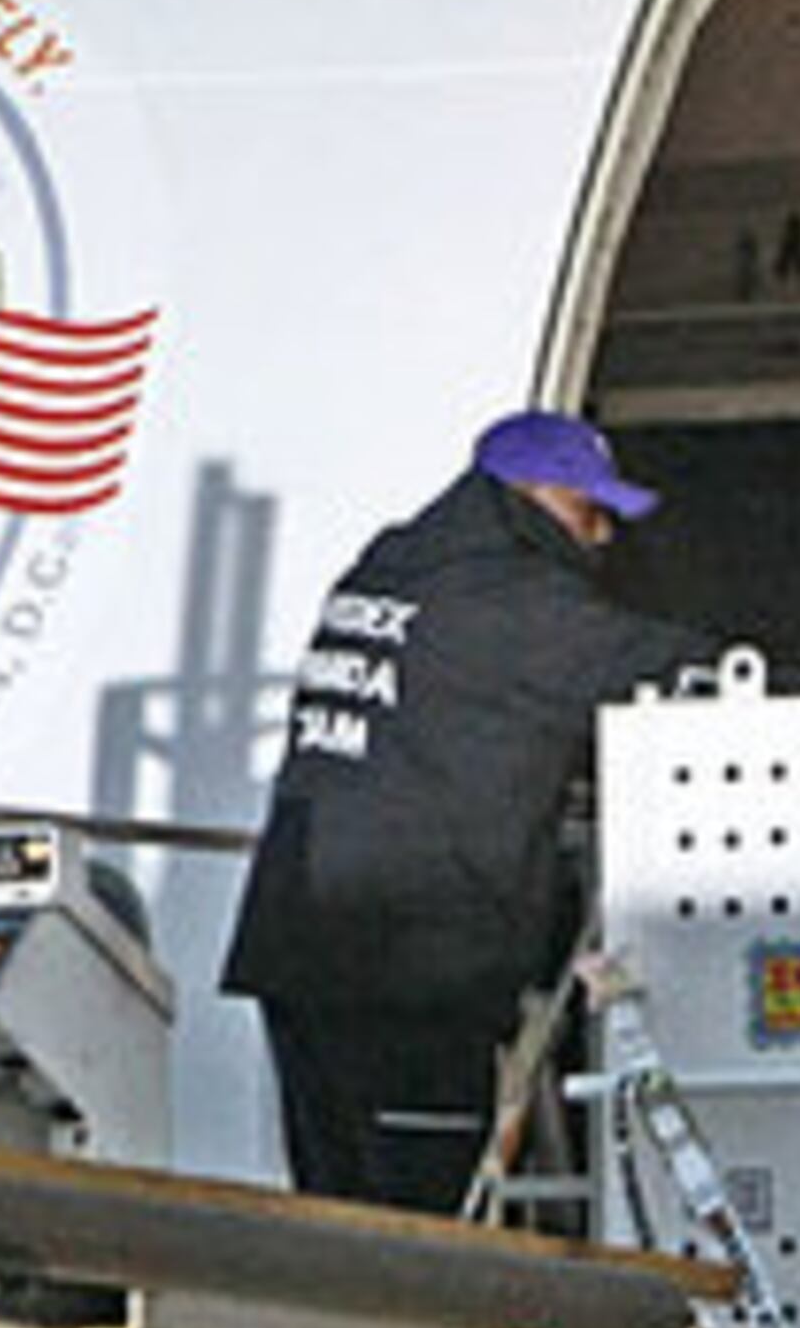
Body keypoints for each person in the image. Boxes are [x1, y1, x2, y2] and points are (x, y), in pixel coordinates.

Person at [223, 410, 727, 1212]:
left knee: (331, 1210)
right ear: (533, 494)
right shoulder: (510, 602)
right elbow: (675, 670)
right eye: (588, 510)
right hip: (407, 960)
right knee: (417, 1222)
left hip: (302, 941)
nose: (600, 538)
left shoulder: (390, 564)